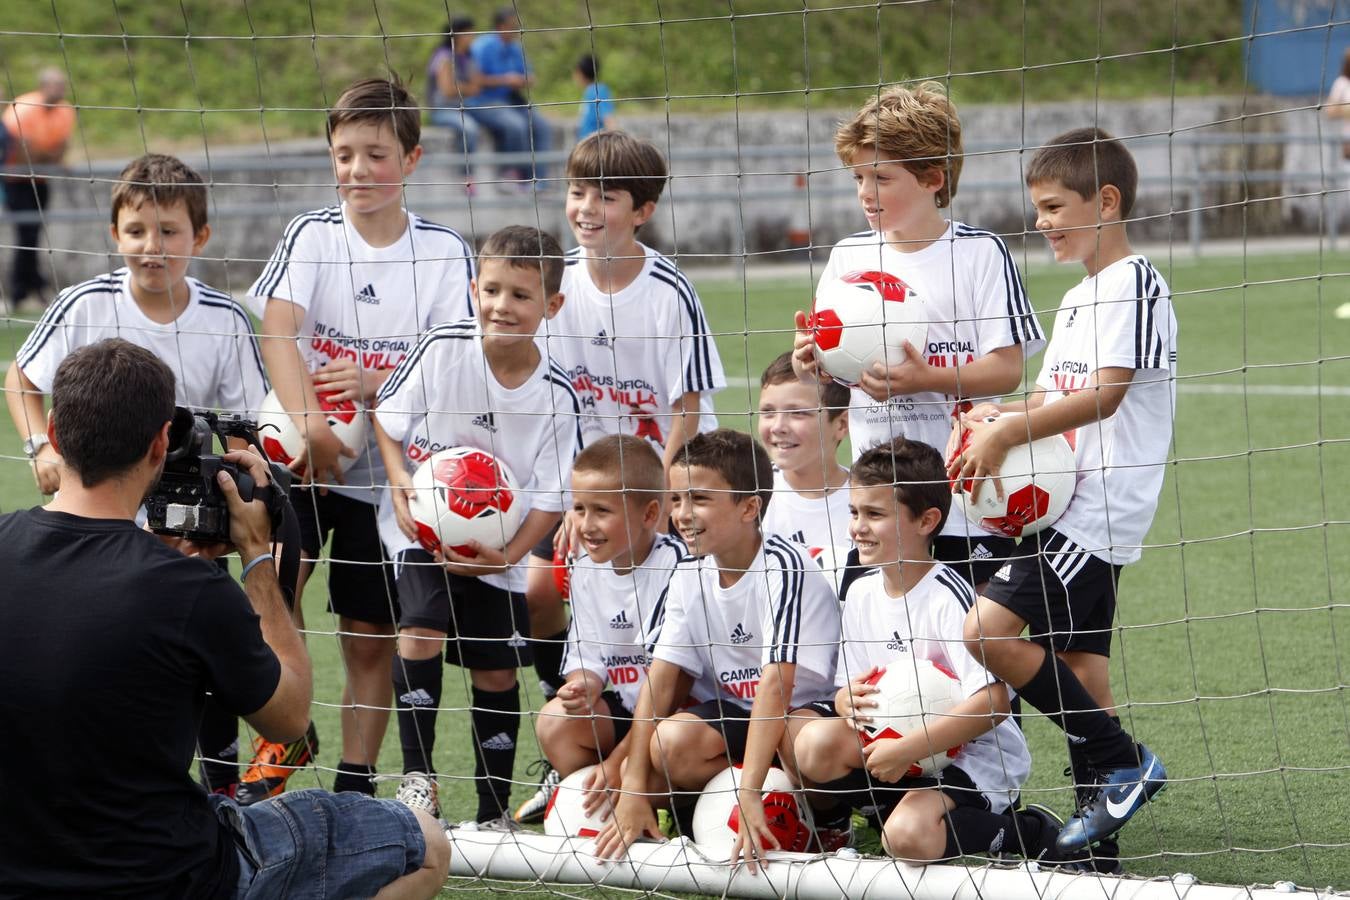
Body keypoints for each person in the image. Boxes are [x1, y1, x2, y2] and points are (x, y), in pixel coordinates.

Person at [0, 338, 449, 899]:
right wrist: (260, 561)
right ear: (162, 442)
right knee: (426, 842)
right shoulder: (187, 588)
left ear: (58, 438)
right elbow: (288, 721)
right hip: (172, 877)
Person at [4, 153, 271, 798]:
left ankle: (223, 791)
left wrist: (246, 459)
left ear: (199, 237)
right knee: (110, 652)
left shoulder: (225, 321)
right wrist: (42, 445)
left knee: (199, 658)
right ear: (114, 234)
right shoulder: (84, 304)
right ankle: (122, 780)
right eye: (137, 231)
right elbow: (22, 378)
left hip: (188, 528)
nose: (153, 248)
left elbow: (243, 425)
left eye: (170, 231)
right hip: (98, 521)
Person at [951, 127, 1176, 870]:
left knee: (986, 633)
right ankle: (1096, 845)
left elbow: (1106, 398)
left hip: (1099, 509)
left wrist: (1012, 426)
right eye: (1037, 208)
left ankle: (1122, 763)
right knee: (1083, 666)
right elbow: (1049, 393)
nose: (1041, 221)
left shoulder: (1135, 282)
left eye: (1054, 206)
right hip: (1065, 505)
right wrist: (993, 421)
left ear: (1106, 201)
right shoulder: (1080, 295)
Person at [246, 76, 474, 805]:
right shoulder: (313, 234)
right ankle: (277, 739)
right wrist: (310, 424)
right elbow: (278, 330)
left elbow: (453, 364)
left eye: (375, 154)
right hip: (304, 462)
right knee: (270, 596)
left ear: (410, 159)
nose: (356, 171)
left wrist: (379, 387)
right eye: (343, 154)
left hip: (387, 479)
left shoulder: (442, 254)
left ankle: (354, 781)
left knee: (367, 632)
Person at [512, 129, 726, 824]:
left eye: (606, 196)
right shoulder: (558, 288)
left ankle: (672, 759)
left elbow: (688, 409)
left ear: (643, 210)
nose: (586, 208)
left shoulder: (668, 292)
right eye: (577, 192)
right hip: (587, 494)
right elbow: (548, 400)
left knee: (676, 621)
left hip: (660, 490)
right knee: (542, 590)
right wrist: (577, 504)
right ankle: (576, 709)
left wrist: (656, 500)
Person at [791, 82, 1045, 591]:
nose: (865, 191)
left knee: (971, 649)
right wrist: (812, 366)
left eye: (881, 178)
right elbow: (835, 381)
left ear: (932, 178)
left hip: (966, 496)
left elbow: (1008, 369)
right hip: (879, 503)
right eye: (858, 177)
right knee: (879, 647)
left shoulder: (980, 254)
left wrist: (924, 377)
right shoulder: (848, 259)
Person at [373, 225, 582, 828]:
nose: (502, 306)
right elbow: (387, 421)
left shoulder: (556, 396)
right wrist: (398, 480)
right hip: (420, 533)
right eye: (491, 290)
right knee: (419, 632)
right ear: (473, 289)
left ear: (551, 306)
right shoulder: (441, 347)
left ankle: (493, 812)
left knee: (495, 668)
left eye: (521, 295)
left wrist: (509, 554)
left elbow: (548, 497)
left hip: (502, 551)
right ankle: (419, 782)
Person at [594, 429, 841, 871]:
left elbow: (777, 685)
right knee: (669, 743)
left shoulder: (783, 568)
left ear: (749, 507)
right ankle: (708, 811)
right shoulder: (689, 574)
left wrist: (749, 792)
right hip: (738, 715)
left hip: (802, 716)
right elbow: (662, 678)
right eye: (677, 500)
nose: (683, 515)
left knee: (805, 742)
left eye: (700, 499)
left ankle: (826, 819)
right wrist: (633, 785)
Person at [792, 438, 1048, 863]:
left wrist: (908, 750)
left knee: (909, 841)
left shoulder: (949, 596)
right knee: (812, 744)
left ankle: (1028, 833)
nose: (858, 527)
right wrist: (844, 701)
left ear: (926, 520)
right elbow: (853, 690)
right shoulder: (859, 592)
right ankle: (891, 810)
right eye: (854, 512)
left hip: (974, 754)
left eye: (874, 514)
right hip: (901, 744)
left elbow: (994, 703)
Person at [533, 435, 686, 815]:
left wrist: (619, 759)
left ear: (650, 515)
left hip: (676, 715)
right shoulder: (584, 569)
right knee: (554, 721)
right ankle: (599, 804)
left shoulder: (679, 568)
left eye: (601, 510)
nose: (585, 525)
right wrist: (585, 684)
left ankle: (676, 804)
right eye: (579, 508)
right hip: (626, 710)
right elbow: (587, 657)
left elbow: (675, 684)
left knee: (664, 749)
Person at [758, 350, 852, 556]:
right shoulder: (748, 495)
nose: (778, 427)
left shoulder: (868, 500)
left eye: (798, 413)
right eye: (768, 412)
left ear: (842, 424)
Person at [2, 66, 76, 313]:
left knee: (33, 233)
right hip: (15, 181)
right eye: (56, 84)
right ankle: (24, 288)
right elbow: (22, 153)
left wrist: (43, 156)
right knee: (27, 234)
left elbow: (60, 148)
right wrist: (45, 156)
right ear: (43, 85)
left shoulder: (65, 111)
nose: (61, 90)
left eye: (62, 85)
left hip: (41, 180)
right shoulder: (23, 109)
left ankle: (30, 288)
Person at [467, 7, 553, 185]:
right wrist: (504, 80)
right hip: (485, 100)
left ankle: (541, 179)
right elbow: (474, 80)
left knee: (542, 126)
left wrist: (522, 80)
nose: (515, 30)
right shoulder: (481, 47)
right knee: (516, 125)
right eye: (511, 26)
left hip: (511, 99)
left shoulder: (515, 48)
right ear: (500, 26)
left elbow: (530, 76)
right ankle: (518, 176)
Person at [425, 16, 482, 192]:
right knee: (469, 129)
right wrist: (467, 87)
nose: (472, 37)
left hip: (464, 105)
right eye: (468, 33)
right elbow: (447, 90)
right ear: (457, 35)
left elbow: (476, 86)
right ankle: (466, 175)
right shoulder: (443, 56)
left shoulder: (467, 56)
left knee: (501, 117)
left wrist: (464, 87)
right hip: (443, 109)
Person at [574, 53, 615, 140]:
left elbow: (608, 119)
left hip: (595, 145)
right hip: (587, 143)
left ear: (580, 73)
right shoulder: (588, 92)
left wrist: (616, 145)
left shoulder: (599, 91)